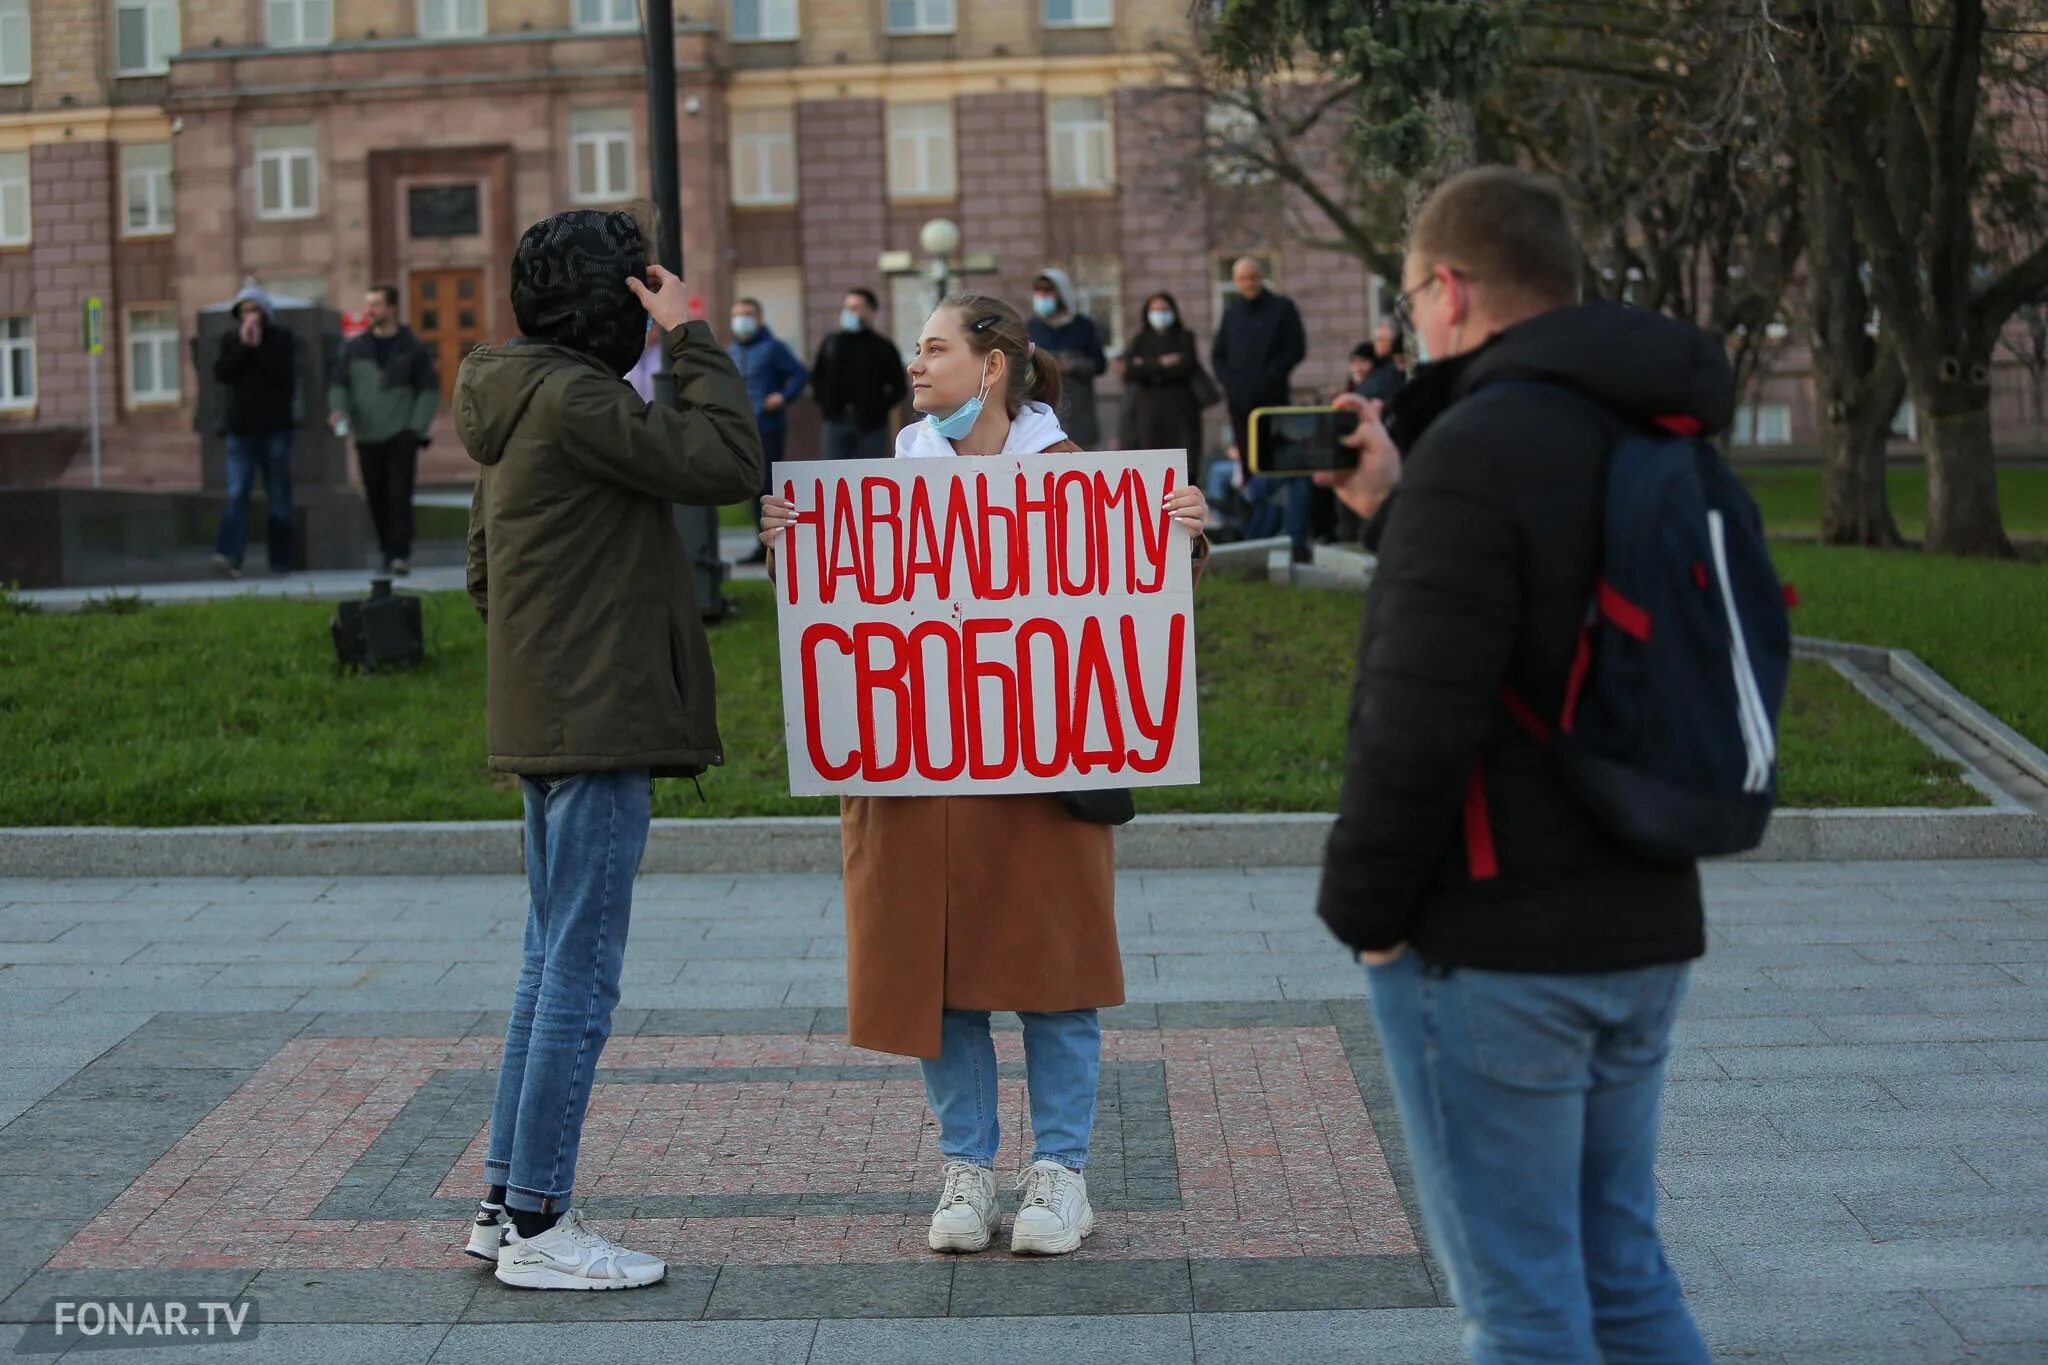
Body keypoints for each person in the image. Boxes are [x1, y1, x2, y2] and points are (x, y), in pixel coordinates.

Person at [1315, 166, 1721, 1362]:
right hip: (1646, 916)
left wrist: (1366, 919)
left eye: (1406, 297)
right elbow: (1553, 633)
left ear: (1447, 290)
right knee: (1621, 1272)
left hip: (1494, 945)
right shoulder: (1656, 425)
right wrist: (1397, 511)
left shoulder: (1480, 446)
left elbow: (1413, 716)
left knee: (1522, 1307)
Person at [759, 296, 1208, 1258]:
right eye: (917, 350)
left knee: (1054, 975)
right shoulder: (886, 485)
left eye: (933, 348)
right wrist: (793, 550)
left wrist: (1181, 534)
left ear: (993, 366)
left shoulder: (1072, 477)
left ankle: (1060, 1172)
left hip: (1043, 780)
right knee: (943, 977)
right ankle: (967, 1166)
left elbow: (1140, 595)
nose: (914, 366)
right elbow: (848, 608)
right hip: (921, 787)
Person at [454, 208, 764, 1291]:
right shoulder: (579, 399)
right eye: (642, 289)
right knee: (579, 977)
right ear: (617, 302)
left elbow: (483, 572)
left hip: (549, 719)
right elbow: (728, 459)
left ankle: (505, 1204)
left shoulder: (517, 401)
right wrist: (689, 332)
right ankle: (540, 1224)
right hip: (593, 723)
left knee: (547, 968)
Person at [327, 284, 439, 576]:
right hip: (367, 434)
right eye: (368, 304)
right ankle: (386, 551)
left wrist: (416, 427)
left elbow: (428, 389)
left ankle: (400, 554)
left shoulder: (412, 348)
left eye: (376, 304)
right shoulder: (354, 348)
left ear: (392, 308)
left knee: (399, 493)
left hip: (402, 432)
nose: (370, 310)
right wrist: (339, 411)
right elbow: (340, 385)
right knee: (376, 495)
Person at [1211, 257, 1309, 560]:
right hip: (1240, 403)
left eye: (1253, 277)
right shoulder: (1232, 313)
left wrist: (1270, 376)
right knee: (1250, 464)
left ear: (1261, 277)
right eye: (1242, 279)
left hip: (1273, 403)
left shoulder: (1282, 308)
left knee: (1277, 464)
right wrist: (1230, 382)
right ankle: (1255, 531)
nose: (1249, 284)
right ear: (1236, 282)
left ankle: (1252, 500)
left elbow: (1295, 348)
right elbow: (1219, 355)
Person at [210, 283, 298, 578]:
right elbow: (223, 372)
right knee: (237, 494)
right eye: (244, 311)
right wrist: (245, 348)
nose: (249, 316)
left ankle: (281, 561)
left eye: (254, 310)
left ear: (264, 314)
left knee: (278, 499)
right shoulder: (230, 340)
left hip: (275, 430)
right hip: (241, 431)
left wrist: (258, 348)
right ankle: (230, 556)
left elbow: (283, 376)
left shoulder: (281, 339)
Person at [728, 297, 807, 562]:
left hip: (768, 426)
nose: (742, 320)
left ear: (760, 319)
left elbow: (799, 374)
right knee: (752, 485)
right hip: (742, 428)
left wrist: (783, 397)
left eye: (748, 314)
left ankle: (776, 543)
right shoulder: (732, 352)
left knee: (768, 486)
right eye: (738, 315)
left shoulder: (773, 349)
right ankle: (760, 542)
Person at [810, 287, 908, 458]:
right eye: (847, 308)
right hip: (835, 423)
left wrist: (877, 409)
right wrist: (827, 405)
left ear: (871, 311)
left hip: (871, 427)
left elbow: (899, 387)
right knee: (831, 474)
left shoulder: (883, 347)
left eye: (855, 308)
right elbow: (817, 377)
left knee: (867, 475)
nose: (849, 313)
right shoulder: (832, 344)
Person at [1122, 291, 1208, 484]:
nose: (1159, 314)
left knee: (1185, 454)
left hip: (1181, 404)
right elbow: (1131, 372)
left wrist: (1146, 365)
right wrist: (1162, 363)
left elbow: (1186, 367)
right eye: (1155, 310)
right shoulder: (1140, 340)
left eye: (1164, 309)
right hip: (1149, 407)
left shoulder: (1184, 337)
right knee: (1152, 455)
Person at [1026, 268, 1107, 448]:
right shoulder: (1031, 327)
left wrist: (1071, 364)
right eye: (1038, 292)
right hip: (1040, 403)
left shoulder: (1082, 326)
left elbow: (1099, 364)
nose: (1042, 297)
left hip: (1077, 404)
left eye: (1047, 292)